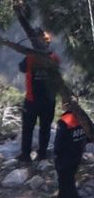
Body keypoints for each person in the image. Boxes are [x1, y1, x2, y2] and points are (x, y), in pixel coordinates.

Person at [19, 32, 60, 163]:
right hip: (49, 100)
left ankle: (25, 155)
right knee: (45, 128)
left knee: (27, 129)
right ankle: (42, 154)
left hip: (32, 100)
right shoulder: (54, 58)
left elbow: (22, 68)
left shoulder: (30, 58)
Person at [48, 103, 88, 198]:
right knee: (64, 182)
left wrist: (56, 155)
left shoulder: (65, 120)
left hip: (65, 158)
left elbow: (59, 142)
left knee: (68, 184)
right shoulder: (83, 117)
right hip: (77, 155)